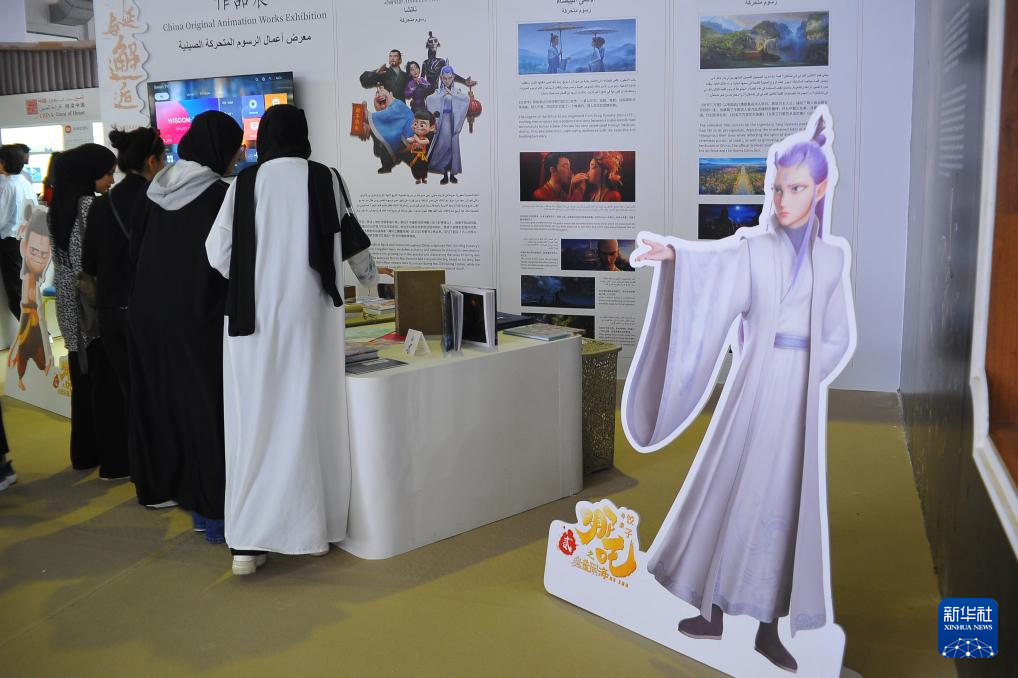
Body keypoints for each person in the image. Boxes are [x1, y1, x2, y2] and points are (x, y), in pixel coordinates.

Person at [622, 109, 853, 673]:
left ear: (820, 190)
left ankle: (768, 627)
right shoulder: (755, 247)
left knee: (783, 502)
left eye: (796, 189)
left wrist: (807, 371)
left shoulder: (831, 259)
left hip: (797, 398)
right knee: (731, 488)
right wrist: (674, 255)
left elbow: (838, 335)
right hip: (753, 386)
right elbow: (716, 267)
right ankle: (712, 609)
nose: (783, 199)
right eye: (777, 188)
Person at [205, 104, 379, 576]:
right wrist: (373, 283)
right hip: (311, 318)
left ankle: (248, 542)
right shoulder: (326, 178)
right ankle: (313, 529)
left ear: (264, 139)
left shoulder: (243, 183)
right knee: (309, 416)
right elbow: (355, 246)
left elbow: (216, 252)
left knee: (255, 424)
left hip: (252, 323)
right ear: (304, 135)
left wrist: (257, 275)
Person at [128, 111, 244, 543]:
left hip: (150, 317)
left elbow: (136, 255)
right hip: (200, 320)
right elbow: (232, 264)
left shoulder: (154, 191)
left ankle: (186, 500)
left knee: (169, 406)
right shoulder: (221, 197)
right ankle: (215, 514)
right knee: (209, 413)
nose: (238, 156)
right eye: (235, 149)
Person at [48, 143, 120, 476]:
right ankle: (109, 455)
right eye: (107, 174)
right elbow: (87, 262)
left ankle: (84, 452)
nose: (111, 181)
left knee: (82, 379)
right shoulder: (89, 205)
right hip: (91, 307)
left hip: (68, 306)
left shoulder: (56, 207)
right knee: (104, 384)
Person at [83, 127, 165, 399]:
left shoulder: (101, 205)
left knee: (130, 394)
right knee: (158, 393)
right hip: (150, 312)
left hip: (111, 314)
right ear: (152, 161)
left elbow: (89, 265)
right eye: (163, 159)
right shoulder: (160, 201)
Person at [8, 205, 53, 391]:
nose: (39, 258)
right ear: (25, 247)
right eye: (34, 252)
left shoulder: (32, 275)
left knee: (36, 356)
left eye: (44, 254)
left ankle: (33, 382)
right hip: (30, 319)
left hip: (32, 319)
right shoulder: (27, 275)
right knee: (29, 355)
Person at [0, 144, 39, 320]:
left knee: (16, 291)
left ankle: (33, 329)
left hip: (10, 242)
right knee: (24, 288)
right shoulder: (24, 182)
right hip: (26, 239)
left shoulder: (4, 186)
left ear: (3, 162)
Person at [426, 67, 469, 185]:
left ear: (453, 77)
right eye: (444, 78)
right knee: (443, 147)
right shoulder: (438, 92)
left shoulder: (456, 92)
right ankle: (444, 173)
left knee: (453, 147)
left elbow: (465, 99)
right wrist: (442, 96)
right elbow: (429, 99)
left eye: (449, 78)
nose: (447, 80)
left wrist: (453, 95)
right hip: (443, 122)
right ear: (441, 78)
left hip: (454, 121)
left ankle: (453, 174)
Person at [365, 86, 414, 174]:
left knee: (386, 144)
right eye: (377, 93)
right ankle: (391, 162)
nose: (379, 94)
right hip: (402, 136)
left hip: (408, 138)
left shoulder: (397, 104)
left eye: (382, 91)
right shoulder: (391, 107)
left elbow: (388, 115)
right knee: (382, 138)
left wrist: (368, 115)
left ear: (391, 94)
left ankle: (388, 164)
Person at [399, 110, 435, 184]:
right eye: (415, 123)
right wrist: (410, 139)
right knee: (415, 167)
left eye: (422, 125)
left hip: (422, 156)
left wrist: (416, 139)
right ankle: (418, 178)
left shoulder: (425, 138)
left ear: (431, 128)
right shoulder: (414, 137)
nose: (418, 127)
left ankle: (423, 178)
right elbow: (409, 140)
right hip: (414, 156)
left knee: (423, 167)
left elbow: (423, 142)